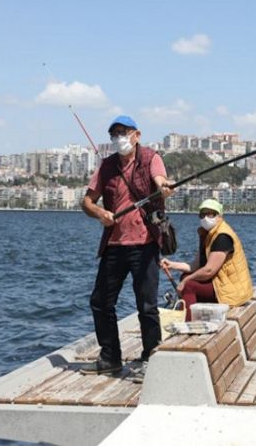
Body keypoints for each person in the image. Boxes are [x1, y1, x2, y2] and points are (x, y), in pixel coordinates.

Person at [80, 115, 174, 375]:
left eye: (123, 132)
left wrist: (164, 187)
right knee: (100, 301)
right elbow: (87, 202)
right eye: (114, 134)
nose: (119, 138)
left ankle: (151, 358)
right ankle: (110, 357)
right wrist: (101, 214)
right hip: (115, 244)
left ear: (137, 135)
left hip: (144, 244)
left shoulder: (150, 158)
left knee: (147, 305)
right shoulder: (107, 166)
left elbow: (159, 179)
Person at [161, 199, 253, 321]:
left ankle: (188, 322)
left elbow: (209, 270)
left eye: (210, 214)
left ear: (219, 216)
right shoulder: (209, 234)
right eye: (202, 214)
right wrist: (172, 265)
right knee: (184, 277)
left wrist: (186, 281)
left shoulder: (222, 237)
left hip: (232, 291)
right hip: (221, 284)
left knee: (188, 285)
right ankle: (193, 313)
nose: (205, 217)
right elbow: (196, 266)